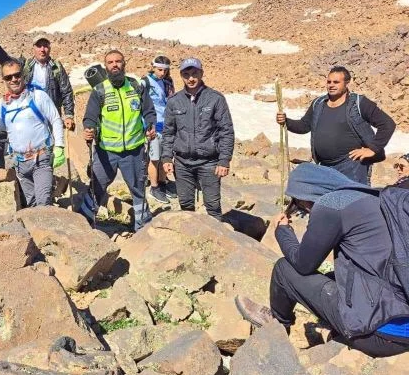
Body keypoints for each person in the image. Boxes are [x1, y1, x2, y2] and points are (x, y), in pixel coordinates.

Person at [235, 163, 409, 358]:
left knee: (284, 270)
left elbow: (303, 264)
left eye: (299, 204)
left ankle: (275, 325)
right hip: (402, 321)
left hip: (378, 335)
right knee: (331, 276)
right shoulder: (372, 197)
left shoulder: (332, 205)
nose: (303, 210)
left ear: (308, 195)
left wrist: (283, 231)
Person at [0, 60, 65, 207]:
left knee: (43, 202)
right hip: (20, 163)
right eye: (8, 77)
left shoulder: (38, 96)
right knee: (31, 204)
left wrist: (60, 146)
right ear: (4, 80)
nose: (13, 79)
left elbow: (55, 119)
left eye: (17, 75)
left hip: (41, 158)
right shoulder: (2, 104)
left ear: (23, 75)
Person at [276, 66, 395, 185]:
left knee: (351, 200)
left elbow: (387, 124)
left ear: (347, 83)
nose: (331, 85)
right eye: (329, 82)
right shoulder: (318, 103)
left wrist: (373, 148)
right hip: (324, 166)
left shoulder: (359, 103)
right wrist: (286, 121)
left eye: (336, 82)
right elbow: (304, 126)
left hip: (352, 166)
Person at [80, 50, 157, 231]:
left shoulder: (136, 86)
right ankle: (82, 224)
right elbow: (90, 116)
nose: (115, 65)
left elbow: (149, 111)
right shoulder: (100, 91)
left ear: (124, 64)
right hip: (106, 151)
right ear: (105, 66)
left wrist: (150, 125)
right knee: (96, 188)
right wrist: (89, 129)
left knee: (138, 189)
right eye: (110, 62)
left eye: (118, 61)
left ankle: (143, 229)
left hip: (134, 150)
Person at [162, 58, 235, 220]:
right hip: (182, 163)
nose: (191, 78)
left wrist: (224, 160)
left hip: (209, 162)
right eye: (186, 74)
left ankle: (217, 241)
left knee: (213, 206)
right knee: (186, 205)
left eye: (195, 73)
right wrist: (167, 157)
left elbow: (226, 131)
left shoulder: (216, 98)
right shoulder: (174, 101)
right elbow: (168, 132)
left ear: (201, 73)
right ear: (181, 76)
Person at [0, 30, 76, 131]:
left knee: (52, 143)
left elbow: (66, 91)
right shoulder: (26, 65)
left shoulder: (56, 67)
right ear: (33, 48)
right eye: (39, 46)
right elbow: (7, 61)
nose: (42, 49)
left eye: (45, 46)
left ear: (49, 48)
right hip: (29, 113)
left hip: (51, 114)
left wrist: (69, 115)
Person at [143, 55, 177, 203]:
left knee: (165, 157)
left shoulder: (168, 82)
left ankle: (163, 183)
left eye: (165, 70)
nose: (162, 73)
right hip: (153, 126)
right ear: (153, 67)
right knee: (154, 158)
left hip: (167, 124)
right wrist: (145, 127)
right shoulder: (145, 82)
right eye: (159, 69)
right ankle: (154, 186)